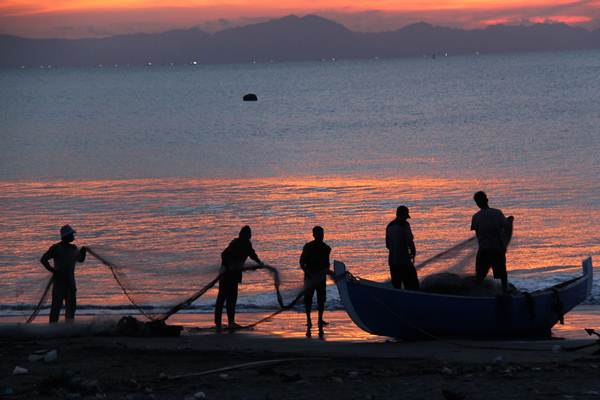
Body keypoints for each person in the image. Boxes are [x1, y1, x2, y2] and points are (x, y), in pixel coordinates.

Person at [215, 225, 264, 330]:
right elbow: (224, 255)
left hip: (235, 275)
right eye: (247, 234)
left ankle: (231, 322)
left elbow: (252, 255)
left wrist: (259, 262)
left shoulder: (247, 244)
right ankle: (218, 323)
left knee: (232, 299)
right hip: (226, 274)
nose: (249, 236)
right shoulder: (235, 243)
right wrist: (229, 266)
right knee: (222, 298)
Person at [40, 225, 87, 323]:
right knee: (56, 307)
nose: (73, 236)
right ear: (67, 236)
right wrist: (53, 271)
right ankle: (53, 328)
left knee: (71, 307)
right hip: (59, 283)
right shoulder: (56, 248)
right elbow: (43, 260)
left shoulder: (73, 248)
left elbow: (81, 260)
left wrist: (84, 252)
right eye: (72, 234)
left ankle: (67, 328)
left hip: (70, 283)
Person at [470, 191, 514, 292]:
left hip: (484, 250)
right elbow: (506, 227)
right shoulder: (497, 213)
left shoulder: (476, 217)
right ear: (487, 200)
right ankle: (505, 293)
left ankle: (477, 295)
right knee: (502, 274)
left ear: (477, 203)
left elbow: (478, 235)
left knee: (480, 276)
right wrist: (510, 220)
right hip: (497, 249)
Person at [299, 226, 332, 337]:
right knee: (308, 299)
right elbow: (302, 262)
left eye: (322, 234)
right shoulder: (308, 247)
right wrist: (308, 273)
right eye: (318, 234)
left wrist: (330, 273)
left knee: (321, 299)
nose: (321, 236)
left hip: (321, 277)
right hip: (309, 277)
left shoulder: (326, 248)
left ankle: (319, 320)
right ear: (314, 235)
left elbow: (327, 265)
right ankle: (309, 320)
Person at [386, 206, 419, 290]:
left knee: (397, 287)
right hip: (404, 262)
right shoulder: (405, 225)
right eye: (405, 216)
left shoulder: (389, 226)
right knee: (412, 286)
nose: (406, 219)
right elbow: (410, 242)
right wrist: (413, 252)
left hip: (392, 263)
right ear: (402, 215)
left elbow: (388, 245)